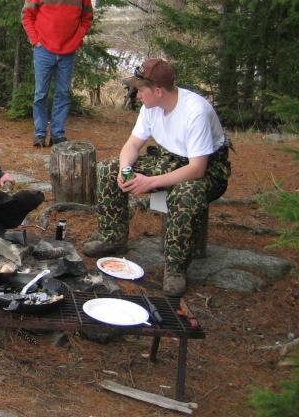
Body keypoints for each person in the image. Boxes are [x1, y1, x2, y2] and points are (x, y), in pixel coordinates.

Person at [82, 58, 231, 296]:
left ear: (158, 91)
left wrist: (149, 182)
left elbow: (197, 169)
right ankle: (113, 237)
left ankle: (175, 267)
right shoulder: (151, 107)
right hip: (169, 158)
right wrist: (124, 169)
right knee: (108, 169)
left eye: (141, 89)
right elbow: (132, 144)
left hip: (208, 169)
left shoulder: (196, 112)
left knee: (185, 194)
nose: (137, 95)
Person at [21, 0, 93, 147]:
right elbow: (27, 15)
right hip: (43, 49)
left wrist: (78, 38)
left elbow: (87, 18)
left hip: (68, 51)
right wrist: (35, 40)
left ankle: (58, 134)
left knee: (63, 93)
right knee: (41, 93)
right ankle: (39, 133)